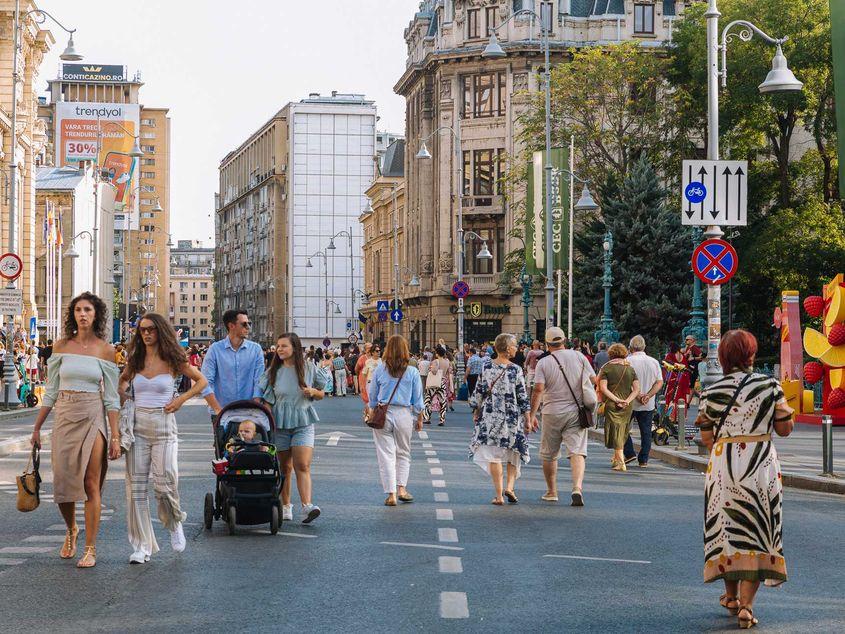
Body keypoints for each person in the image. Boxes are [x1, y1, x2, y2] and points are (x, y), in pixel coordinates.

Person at [696, 330, 794, 630]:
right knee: (758, 529)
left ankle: (730, 596)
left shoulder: (712, 390)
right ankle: (748, 607)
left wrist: (726, 449)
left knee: (726, 530)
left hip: (724, 465)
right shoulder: (769, 385)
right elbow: (785, 429)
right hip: (761, 464)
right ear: (751, 355)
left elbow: (706, 436)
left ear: (724, 357)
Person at [30, 292, 121, 568]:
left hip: (93, 415)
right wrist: (36, 429)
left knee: (91, 483)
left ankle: (91, 548)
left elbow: (112, 398)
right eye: (79, 310)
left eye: (88, 310)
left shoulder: (106, 350)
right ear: (74, 315)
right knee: (64, 484)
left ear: (96, 315)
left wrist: (115, 435)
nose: (83, 314)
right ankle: (71, 529)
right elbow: (51, 392)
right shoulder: (60, 347)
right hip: (65, 415)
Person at [118, 312, 208, 564]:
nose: (146, 334)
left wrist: (180, 400)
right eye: (142, 330)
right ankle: (141, 545)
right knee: (136, 489)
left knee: (165, 482)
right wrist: (126, 399)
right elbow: (122, 383)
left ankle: (174, 522)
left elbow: (201, 381)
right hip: (137, 426)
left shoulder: (172, 359)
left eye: (151, 330)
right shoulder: (135, 360)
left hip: (164, 424)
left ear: (160, 332)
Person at [259, 332, 326, 523]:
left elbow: (322, 392)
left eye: (284, 346)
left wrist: (313, 391)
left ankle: (307, 506)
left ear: (295, 348)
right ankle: (286, 505)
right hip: (280, 424)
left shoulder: (309, 368)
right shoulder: (273, 371)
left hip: (303, 421)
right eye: (278, 346)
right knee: (284, 468)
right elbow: (267, 400)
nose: (279, 349)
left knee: (302, 465)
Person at [530, 327, 596, 506]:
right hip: (576, 411)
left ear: (547, 343)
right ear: (564, 340)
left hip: (551, 412)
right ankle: (577, 487)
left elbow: (538, 390)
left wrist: (532, 415)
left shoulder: (543, 363)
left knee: (549, 454)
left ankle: (552, 491)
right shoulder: (580, 357)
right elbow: (593, 380)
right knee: (577, 451)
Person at [469, 333, 531, 505]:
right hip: (511, 417)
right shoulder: (516, 369)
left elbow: (479, 391)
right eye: (514, 345)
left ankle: (499, 495)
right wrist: (528, 417)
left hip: (491, 417)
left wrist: (476, 409)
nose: (516, 348)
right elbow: (522, 396)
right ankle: (510, 487)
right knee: (514, 451)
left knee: (494, 455)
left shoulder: (487, 367)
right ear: (506, 348)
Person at [367, 335, 423, 506]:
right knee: (404, 453)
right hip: (404, 414)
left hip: (383, 413)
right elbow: (418, 400)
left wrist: (372, 411)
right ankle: (402, 489)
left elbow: (372, 396)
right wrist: (419, 418)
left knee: (386, 455)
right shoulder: (412, 372)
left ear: (387, 350)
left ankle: (391, 494)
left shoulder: (380, 369)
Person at [201, 309, 265, 418]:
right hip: (222, 412)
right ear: (231, 326)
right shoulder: (215, 350)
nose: (248, 327)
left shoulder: (256, 349)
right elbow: (205, 382)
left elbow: (259, 380)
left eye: (249, 323)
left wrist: (256, 406)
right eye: (244, 324)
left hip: (249, 412)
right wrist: (217, 409)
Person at [597, 343, 640, 472]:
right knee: (622, 430)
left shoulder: (607, 368)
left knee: (615, 431)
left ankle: (621, 461)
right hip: (627, 405)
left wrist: (616, 399)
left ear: (611, 354)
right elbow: (637, 389)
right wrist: (627, 400)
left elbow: (603, 388)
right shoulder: (630, 369)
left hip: (612, 404)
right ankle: (616, 459)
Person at [622, 336, 664, 468]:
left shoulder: (627, 361)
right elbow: (659, 382)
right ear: (644, 347)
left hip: (630, 401)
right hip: (648, 403)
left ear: (630, 347)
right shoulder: (653, 362)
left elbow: (625, 381)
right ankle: (643, 459)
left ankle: (629, 453)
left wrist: (638, 395)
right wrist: (648, 395)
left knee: (623, 428)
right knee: (645, 431)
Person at [422, 345, 451, 426]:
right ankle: (442, 419)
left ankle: (427, 418)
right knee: (443, 401)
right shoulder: (447, 362)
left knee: (428, 399)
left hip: (434, 383)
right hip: (443, 382)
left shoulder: (435, 361)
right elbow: (449, 373)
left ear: (437, 354)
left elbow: (434, 371)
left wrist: (430, 368)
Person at [663, 342, 691, 423]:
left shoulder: (670, 355)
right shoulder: (682, 356)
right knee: (681, 398)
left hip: (673, 379)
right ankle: (680, 417)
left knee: (671, 397)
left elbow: (666, 365)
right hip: (683, 378)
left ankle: (671, 417)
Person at [360, 345, 382, 412]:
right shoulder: (368, 362)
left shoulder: (382, 361)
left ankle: (378, 415)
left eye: (379, 351)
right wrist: (362, 385)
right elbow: (364, 374)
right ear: (372, 352)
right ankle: (371, 415)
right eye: (377, 351)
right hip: (370, 383)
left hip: (380, 384)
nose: (379, 352)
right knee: (371, 400)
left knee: (380, 400)